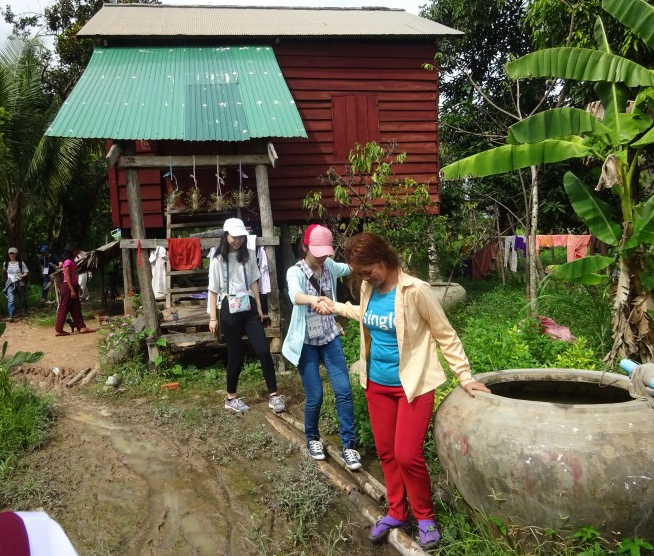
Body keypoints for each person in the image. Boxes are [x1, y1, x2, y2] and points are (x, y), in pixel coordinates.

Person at [323, 232, 490, 548]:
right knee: (386, 452)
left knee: (407, 454)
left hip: (413, 386)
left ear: (384, 259)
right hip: (376, 385)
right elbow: (368, 317)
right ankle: (397, 510)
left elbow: (446, 334)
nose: (364, 277)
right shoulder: (367, 288)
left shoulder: (416, 291)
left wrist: (465, 377)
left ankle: (425, 517)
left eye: (368, 269)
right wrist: (336, 306)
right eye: (359, 272)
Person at [283, 224, 361, 471]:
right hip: (306, 343)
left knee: (344, 391)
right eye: (316, 251)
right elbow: (295, 295)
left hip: (329, 337)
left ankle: (349, 445)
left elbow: (351, 267)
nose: (321, 257)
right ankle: (312, 438)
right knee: (315, 395)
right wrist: (312, 299)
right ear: (305, 246)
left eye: (325, 252)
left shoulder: (329, 266)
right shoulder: (294, 272)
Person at [207, 218, 285, 414]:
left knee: (263, 350)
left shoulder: (249, 255)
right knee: (236, 354)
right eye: (234, 236)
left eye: (241, 236)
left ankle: (274, 395)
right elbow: (213, 290)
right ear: (225, 235)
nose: (238, 240)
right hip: (228, 307)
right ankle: (231, 397)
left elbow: (254, 282)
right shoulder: (217, 259)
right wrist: (213, 318)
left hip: (248, 306)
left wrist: (259, 306)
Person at [55, 242, 96, 336]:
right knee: (64, 308)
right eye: (76, 250)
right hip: (68, 287)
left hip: (72, 286)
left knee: (76, 308)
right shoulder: (68, 262)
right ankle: (59, 329)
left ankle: (81, 327)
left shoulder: (71, 261)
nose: (78, 252)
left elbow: (73, 276)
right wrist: (73, 290)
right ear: (72, 251)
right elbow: (68, 277)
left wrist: (78, 288)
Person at [3, 247, 29, 322]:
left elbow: (26, 272)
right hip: (10, 282)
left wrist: (22, 276)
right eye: (10, 253)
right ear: (8, 254)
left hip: (20, 281)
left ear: (16, 254)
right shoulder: (6, 263)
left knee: (22, 298)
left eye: (13, 253)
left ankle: (25, 312)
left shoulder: (21, 263)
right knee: (11, 299)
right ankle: (11, 316)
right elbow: (4, 273)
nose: (11, 254)